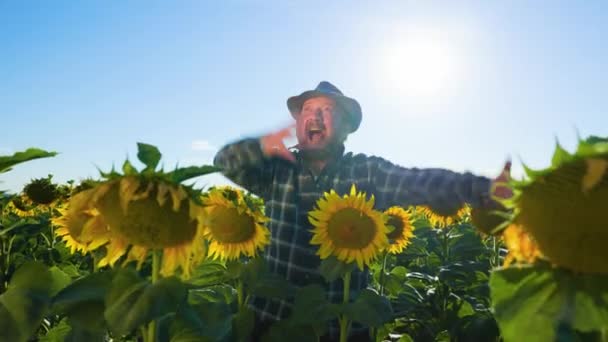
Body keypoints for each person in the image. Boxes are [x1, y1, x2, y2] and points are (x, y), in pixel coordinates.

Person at [213, 81, 511, 341]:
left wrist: (482, 189)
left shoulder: (365, 172)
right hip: (273, 321)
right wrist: (263, 144)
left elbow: (417, 182)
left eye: (327, 110)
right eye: (307, 109)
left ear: (345, 128)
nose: (314, 116)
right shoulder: (277, 170)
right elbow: (226, 161)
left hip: (341, 328)